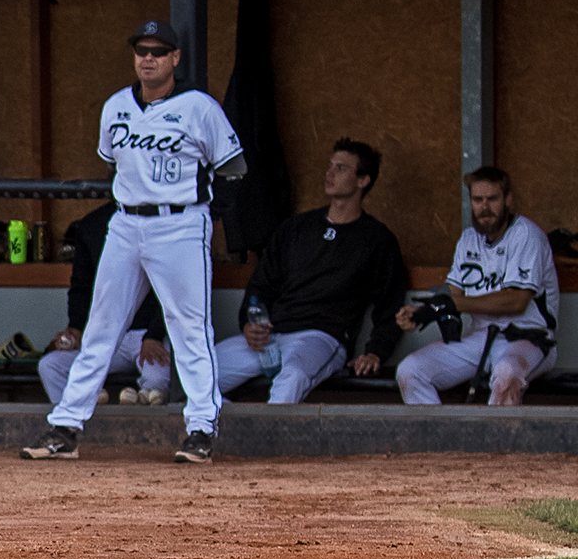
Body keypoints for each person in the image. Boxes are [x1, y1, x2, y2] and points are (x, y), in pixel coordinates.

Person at [23, 20, 245, 464]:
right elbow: (112, 162)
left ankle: (201, 428)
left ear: (175, 58)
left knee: (189, 328)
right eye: (142, 50)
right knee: (101, 326)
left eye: (159, 52)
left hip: (180, 222)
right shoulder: (116, 106)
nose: (149, 58)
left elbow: (233, 167)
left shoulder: (198, 107)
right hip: (126, 222)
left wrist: (206, 212)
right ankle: (65, 427)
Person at [216, 138, 409, 404]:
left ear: (362, 180)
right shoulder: (296, 228)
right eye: (330, 166)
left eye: (341, 168)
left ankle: (265, 432)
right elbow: (261, 284)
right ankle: (230, 427)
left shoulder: (376, 239)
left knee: (292, 376)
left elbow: (391, 304)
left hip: (320, 337)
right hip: (270, 334)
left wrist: (375, 351)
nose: (330, 173)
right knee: (198, 373)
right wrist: (249, 324)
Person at [393, 166, 559, 406]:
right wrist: (423, 311)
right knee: (411, 370)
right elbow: (454, 292)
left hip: (529, 339)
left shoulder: (526, 234)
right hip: (481, 337)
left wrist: (453, 303)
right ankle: (439, 431)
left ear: (508, 200)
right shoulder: (469, 239)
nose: (484, 207)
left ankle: (495, 433)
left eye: (492, 199)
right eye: (478, 200)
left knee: (506, 373)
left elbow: (516, 300)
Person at [38, 200, 171, 407]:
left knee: (156, 381)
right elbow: (81, 285)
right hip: (107, 333)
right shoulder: (93, 224)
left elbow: (172, 290)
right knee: (50, 366)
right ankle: (78, 418)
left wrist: (154, 335)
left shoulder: (161, 219)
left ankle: (136, 421)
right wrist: (75, 328)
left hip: (147, 335)